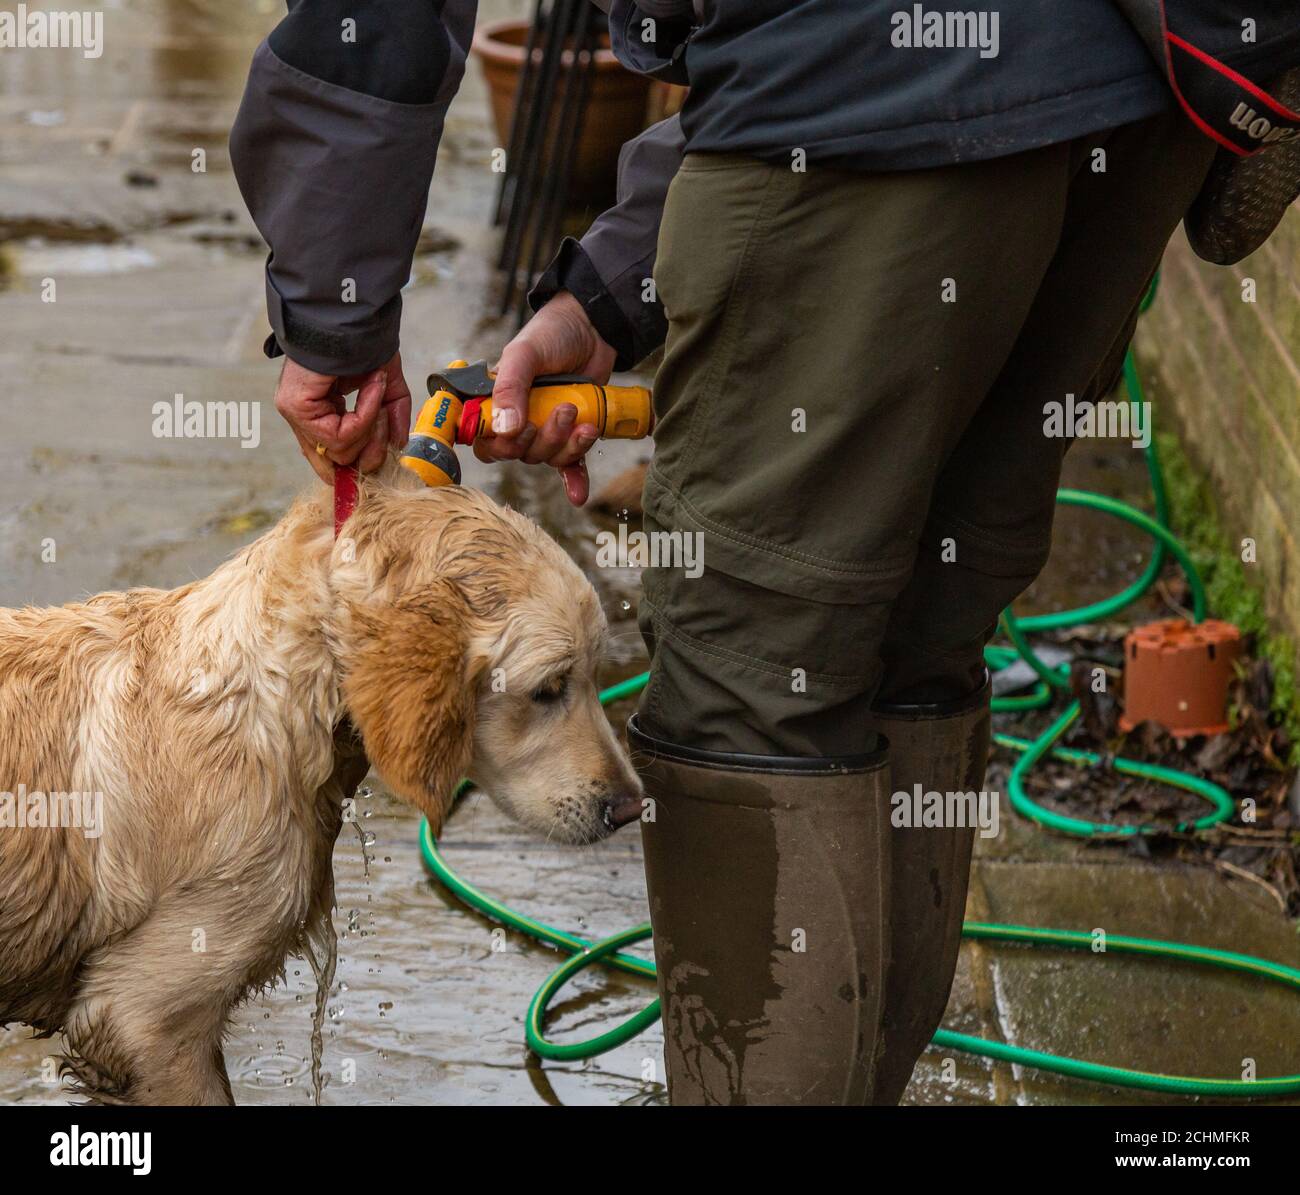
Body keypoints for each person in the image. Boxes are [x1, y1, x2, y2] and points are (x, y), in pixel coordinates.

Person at [230, 1, 1299, 1105]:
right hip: (1127, 104)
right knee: (914, 630)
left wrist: (333, 316)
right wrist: (606, 292)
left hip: (879, 98)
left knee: (754, 676)